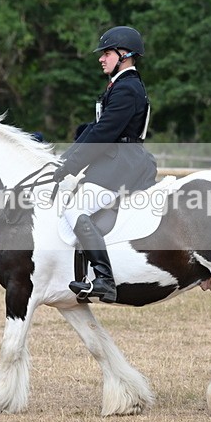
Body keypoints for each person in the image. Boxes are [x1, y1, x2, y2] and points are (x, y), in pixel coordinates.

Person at [52, 26, 158, 303]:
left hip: (121, 163)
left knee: (75, 209)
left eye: (107, 53)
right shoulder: (120, 85)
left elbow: (103, 134)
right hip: (117, 159)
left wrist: (70, 165)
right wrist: (66, 158)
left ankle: (104, 279)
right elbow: (94, 129)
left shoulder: (127, 89)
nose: (101, 58)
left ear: (125, 55)